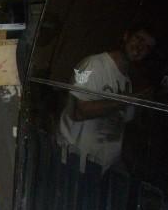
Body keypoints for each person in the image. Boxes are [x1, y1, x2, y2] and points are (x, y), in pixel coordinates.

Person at [59, 26, 156, 172]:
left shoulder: (127, 83)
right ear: (126, 36)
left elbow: (122, 124)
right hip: (74, 163)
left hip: (101, 168)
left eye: (147, 47)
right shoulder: (94, 64)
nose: (140, 47)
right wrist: (128, 101)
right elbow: (79, 112)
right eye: (139, 39)